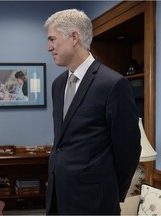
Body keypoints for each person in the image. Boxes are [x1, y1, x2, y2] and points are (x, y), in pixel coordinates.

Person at [44, 9, 141, 215]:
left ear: (74, 37)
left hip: (96, 202)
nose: (48, 47)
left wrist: (112, 192)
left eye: (52, 39)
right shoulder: (58, 84)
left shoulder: (113, 84)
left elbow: (129, 151)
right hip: (58, 197)